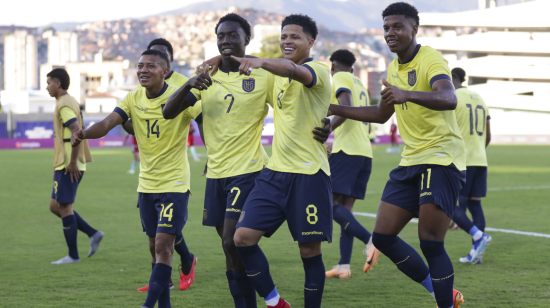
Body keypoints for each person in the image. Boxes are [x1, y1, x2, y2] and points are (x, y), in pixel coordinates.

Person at [165, 13, 331, 308]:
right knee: (230, 248)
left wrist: (330, 121)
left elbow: (303, 85)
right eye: (221, 36)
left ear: (247, 40)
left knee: (235, 241)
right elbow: (168, 112)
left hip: (252, 170)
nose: (226, 41)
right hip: (217, 173)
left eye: (233, 36)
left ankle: (271, 300)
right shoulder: (207, 77)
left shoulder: (268, 75)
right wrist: (191, 81)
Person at [329, 3, 466, 308]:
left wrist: (408, 94)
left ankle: (444, 303)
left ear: (414, 29)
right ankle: (442, 292)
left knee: (431, 243)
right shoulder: (393, 68)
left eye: (397, 26)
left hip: (440, 159)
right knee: (384, 237)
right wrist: (335, 109)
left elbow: (449, 97)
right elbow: (380, 115)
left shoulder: (430, 58)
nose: (391, 33)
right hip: (410, 161)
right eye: (386, 27)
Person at [72, 49, 205, 308]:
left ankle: (147, 305)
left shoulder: (183, 99)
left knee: (164, 246)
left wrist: (215, 151)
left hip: (175, 184)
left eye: (151, 66)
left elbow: (207, 123)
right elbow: (108, 122)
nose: (143, 70)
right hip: (146, 186)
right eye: (140, 65)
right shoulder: (132, 98)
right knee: (156, 248)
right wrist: (84, 133)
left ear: (165, 71)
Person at [221, 14, 332, 308]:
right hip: (275, 174)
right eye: (284, 37)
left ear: (310, 42)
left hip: (309, 175)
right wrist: (211, 62)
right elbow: (239, 61)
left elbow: (295, 70)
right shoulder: (275, 76)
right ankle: (275, 302)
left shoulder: (319, 70)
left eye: (295, 37)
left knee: (309, 252)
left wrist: (261, 61)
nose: (287, 41)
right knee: (241, 238)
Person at [136, 38, 198, 292]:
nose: (148, 68)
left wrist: (213, 154)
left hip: (173, 176)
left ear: (168, 63)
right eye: (144, 63)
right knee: (156, 237)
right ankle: (168, 275)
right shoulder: (142, 88)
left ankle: (170, 274)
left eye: (158, 59)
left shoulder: (182, 85)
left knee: (164, 236)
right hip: (148, 176)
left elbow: (200, 114)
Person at [323, 49, 380, 280]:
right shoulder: (361, 85)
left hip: (347, 150)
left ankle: (371, 241)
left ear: (332, 66)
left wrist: (327, 130)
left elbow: (344, 108)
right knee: (346, 212)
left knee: (328, 205)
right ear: (354, 67)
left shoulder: (339, 77)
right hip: (364, 152)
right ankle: (344, 266)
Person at [46, 68, 104, 265]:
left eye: (48, 83)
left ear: (58, 84)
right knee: (56, 206)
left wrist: (71, 162)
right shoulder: (68, 101)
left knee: (65, 207)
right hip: (64, 163)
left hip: (70, 165)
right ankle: (93, 233)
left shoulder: (63, 105)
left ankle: (73, 256)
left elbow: (77, 132)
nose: (47, 87)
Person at [451, 68, 492, 264]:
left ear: (453, 79)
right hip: (480, 159)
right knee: (475, 205)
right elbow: (488, 134)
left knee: (450, 204)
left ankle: (478, 237)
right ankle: (477, 254)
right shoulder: (481, 99)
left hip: (462, 161)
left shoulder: (454, 97)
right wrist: (478, 151)